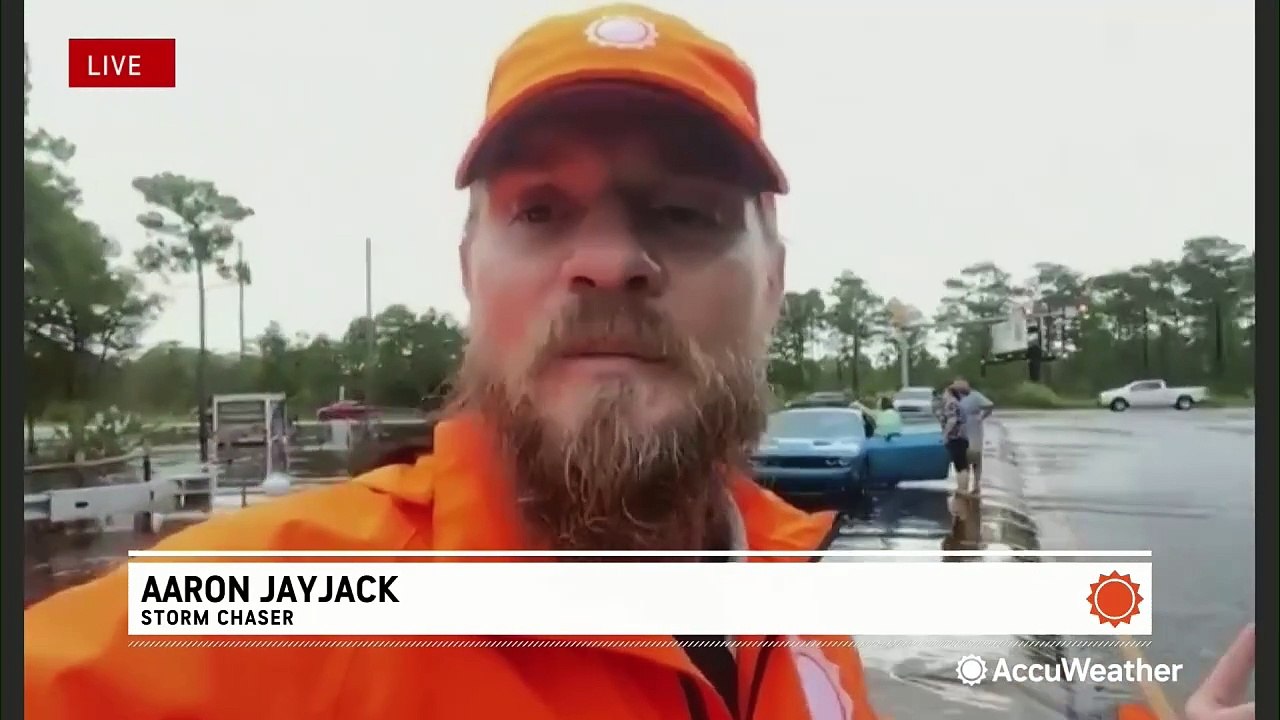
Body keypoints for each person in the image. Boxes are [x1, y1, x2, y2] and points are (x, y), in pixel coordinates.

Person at [22, 6, 1253, 720]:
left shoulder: (797, 613)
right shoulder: (273, 618)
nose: (607, 264)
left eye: (681, 214)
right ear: (471, 279)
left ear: (770, 285)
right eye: (542, 214)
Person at [955, 378, 994, 494]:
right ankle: (970, 483)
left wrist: (982, 417)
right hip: (967, 426)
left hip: (968, 427)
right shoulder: (963, 397)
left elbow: (989, 405)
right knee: (969, 456)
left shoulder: (971, 396)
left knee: (970, 455)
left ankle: (971, 484)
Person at [940, 381, 971, 495]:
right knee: (962, 464)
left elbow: (952, 420)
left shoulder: (951, 403)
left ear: (949, 392)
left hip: (956, 437)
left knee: (960, 465)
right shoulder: (957, 402)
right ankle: (963, 488)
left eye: (944, 392)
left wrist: (945, 435)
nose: (943, 395)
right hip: (962, 436)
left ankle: (962, 489)